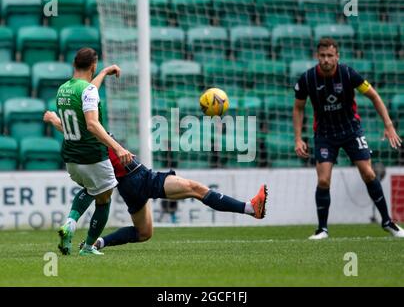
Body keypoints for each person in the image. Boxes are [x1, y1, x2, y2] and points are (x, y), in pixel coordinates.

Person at [43, 112, 268, 253]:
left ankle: (98, 243)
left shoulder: (84, 133)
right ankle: (250, 208)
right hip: (138, 177)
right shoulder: (94, 129)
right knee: (195, 189)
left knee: (144, 233)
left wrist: (54, 119)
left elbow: (67, 127)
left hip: (128, 185)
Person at [293, 37, 404, 240]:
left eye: (330, 56)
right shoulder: (307, 79)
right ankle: (322, 229)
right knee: (324, 180)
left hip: (351, 131)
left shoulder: (348, 74)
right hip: (325, 134)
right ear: (317, 56)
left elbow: (374, 96)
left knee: (369, 174)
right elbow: (298, 107)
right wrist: (298, 138)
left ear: (337, 56)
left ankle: (388, 221)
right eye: (322, 56)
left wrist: (388, 125)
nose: (326, 60)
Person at [55, 47, 133, 255]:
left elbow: (88, 91)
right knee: (104, 198)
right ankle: (88, 247)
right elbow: (91, 124)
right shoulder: (88, 91)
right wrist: (118, 147)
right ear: (93, 65)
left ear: (74, 64)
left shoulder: (63, 89)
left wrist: (104, 73)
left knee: (91, 188)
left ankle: (70, 224)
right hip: (93, 156)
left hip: (72, 159)